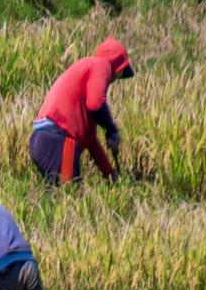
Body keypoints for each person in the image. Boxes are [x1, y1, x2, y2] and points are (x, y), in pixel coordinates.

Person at [29, 37, 135, 183]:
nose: (117, 78)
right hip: (58, 141)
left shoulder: (85, 79)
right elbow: (96, 105)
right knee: (68, 194)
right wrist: (112, 130)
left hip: (43, 141)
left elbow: (92, 142)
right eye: (122, 73)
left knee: (60, 197)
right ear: (119, 65)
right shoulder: (101, 65)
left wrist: (110, 174)